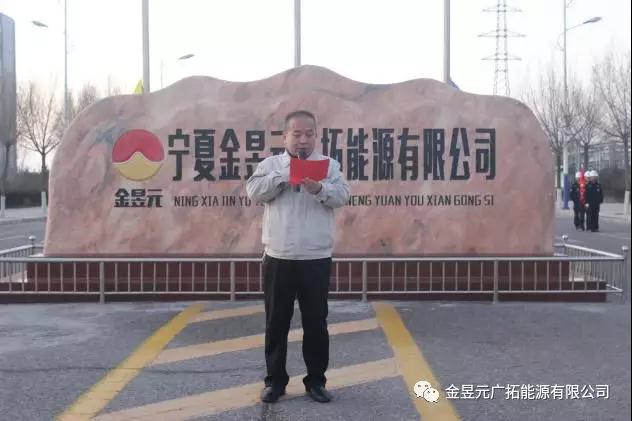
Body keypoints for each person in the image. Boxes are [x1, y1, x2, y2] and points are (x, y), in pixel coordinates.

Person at [246, 110, 350, 404]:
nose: (303, 140)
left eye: (309, 134)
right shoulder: (270, 165)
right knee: (276, 322)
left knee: (316, 322)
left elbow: (343, 195)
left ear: (316, 136)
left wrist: (319, 188)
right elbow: (254, 191)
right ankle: (275, 382)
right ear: (285, 137)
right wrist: (283, 176)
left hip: (315, 257)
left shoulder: (329, 166)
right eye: (297, 134)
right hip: (278, 256)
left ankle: (316, 381)